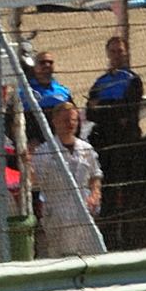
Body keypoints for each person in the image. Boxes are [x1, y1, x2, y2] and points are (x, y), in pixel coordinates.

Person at [86, 35, 145, 250]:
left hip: (126, 146)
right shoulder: (101, 82)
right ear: (107, 54)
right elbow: (90, 113)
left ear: (126, 52)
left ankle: (130, 239)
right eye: (113, 51)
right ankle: (109, 240)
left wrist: (103, 107)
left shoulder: (132, 80)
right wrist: (111, 109)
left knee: (128, 193)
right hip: (105, 146)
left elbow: (127, 112)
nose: (116, 55)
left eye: (120, 51)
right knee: (108, 193)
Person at [31, 103, 103, 258]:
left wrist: (95, 194)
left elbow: (95, 174)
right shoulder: (44, 151)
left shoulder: (85, 148)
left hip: (84, 211)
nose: (70, 124)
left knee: (94, 254)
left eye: (74, 120)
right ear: (55, 122)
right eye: (65, 120)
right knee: (62, 257)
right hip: (57, 214)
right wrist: (26, 164)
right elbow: (35, 181)